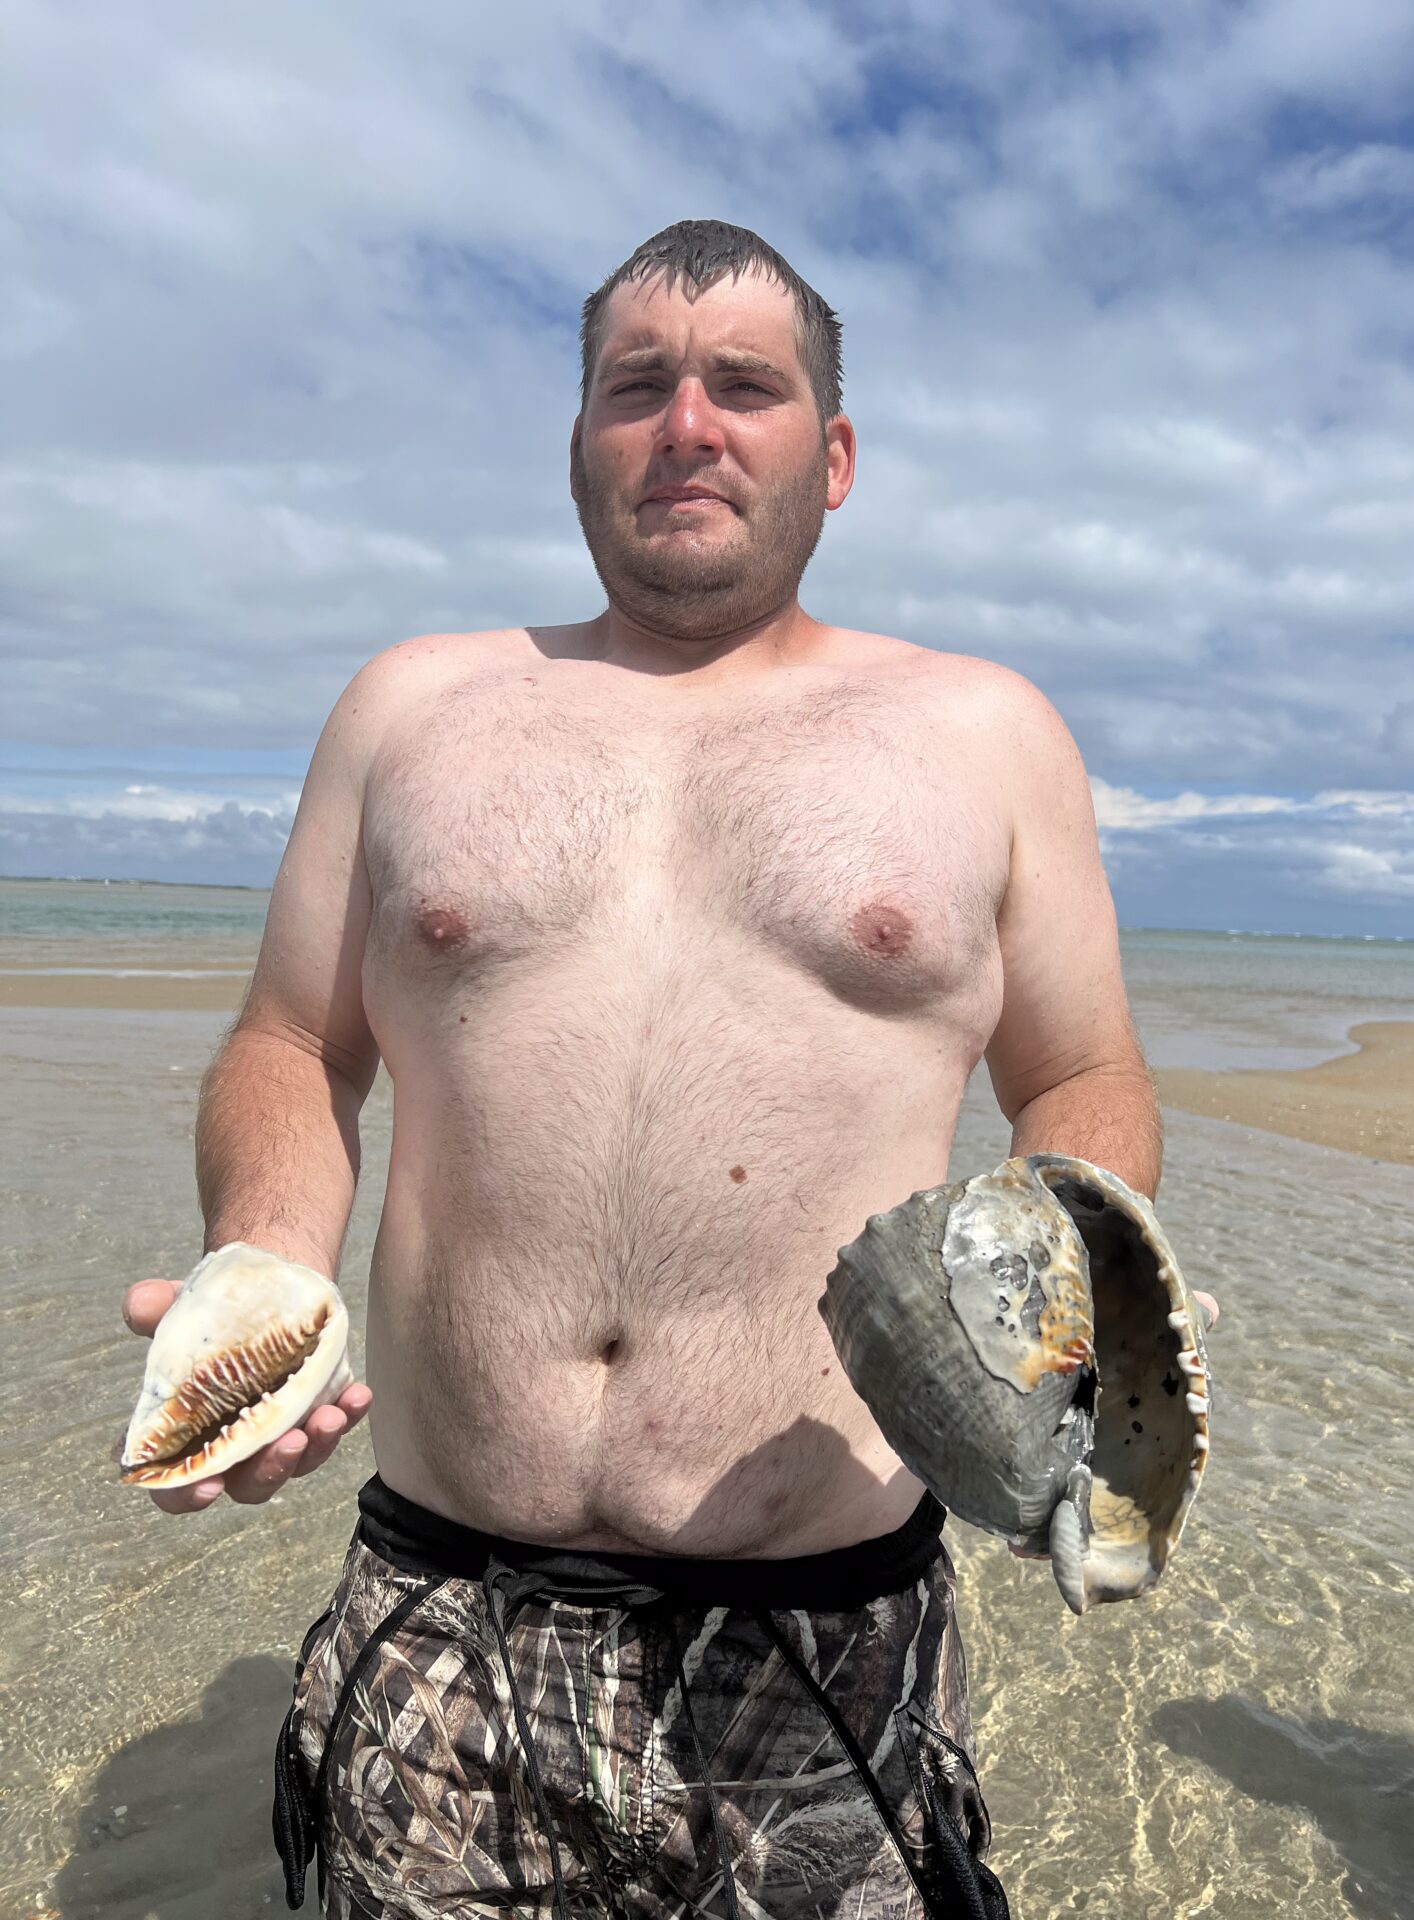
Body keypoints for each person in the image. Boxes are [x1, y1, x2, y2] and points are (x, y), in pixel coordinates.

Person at [123, 220, 1188, 1920]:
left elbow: (1083, 1076)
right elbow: (290, 1041)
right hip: (440, 1620)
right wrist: (267, 1255)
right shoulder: (410, 708)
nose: (687, 424)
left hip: (826, 1639)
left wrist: (1059, 1297)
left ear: (831, 455)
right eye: (638, 387)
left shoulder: (986, 733)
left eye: (745, 387)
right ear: (577, 444)